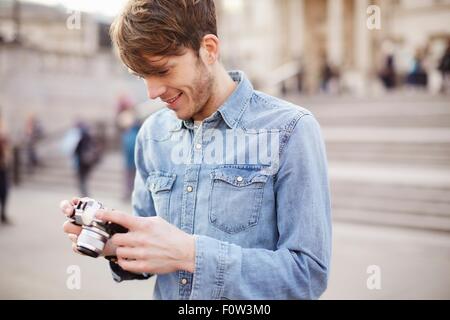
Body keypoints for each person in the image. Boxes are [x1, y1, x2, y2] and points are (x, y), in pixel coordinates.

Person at [61, 0, 331, 300]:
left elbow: (307, 275)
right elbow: (152, 256)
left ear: (209, 50)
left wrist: (191, 255)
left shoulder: (291, 129)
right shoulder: (152, 135)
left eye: (163, 70)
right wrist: (114, 245)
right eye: (142, 76)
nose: (152, 92)